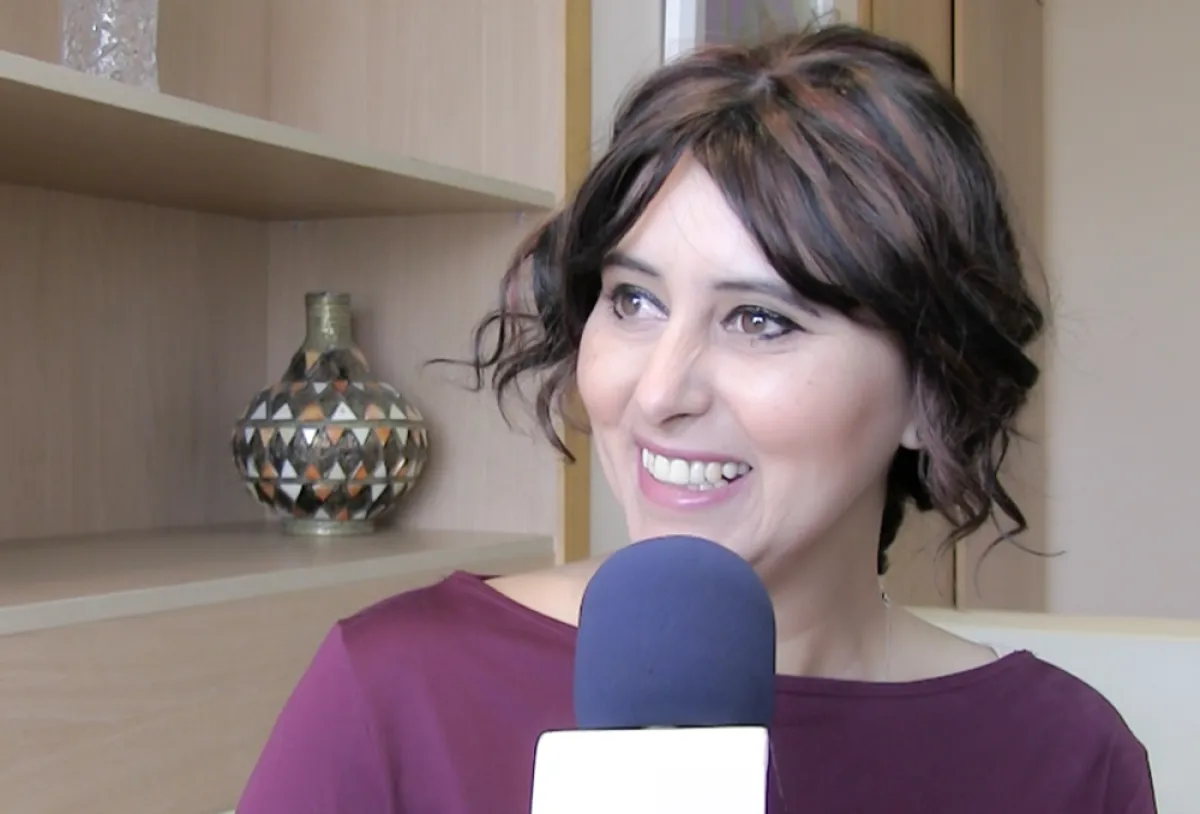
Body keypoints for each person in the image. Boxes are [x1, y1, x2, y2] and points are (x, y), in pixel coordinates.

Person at [235, 25, 1156, 814]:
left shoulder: (1065, 761)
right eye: (633, 301)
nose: (659, 392)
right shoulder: (397, 688)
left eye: (760, 320)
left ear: (932, 389)